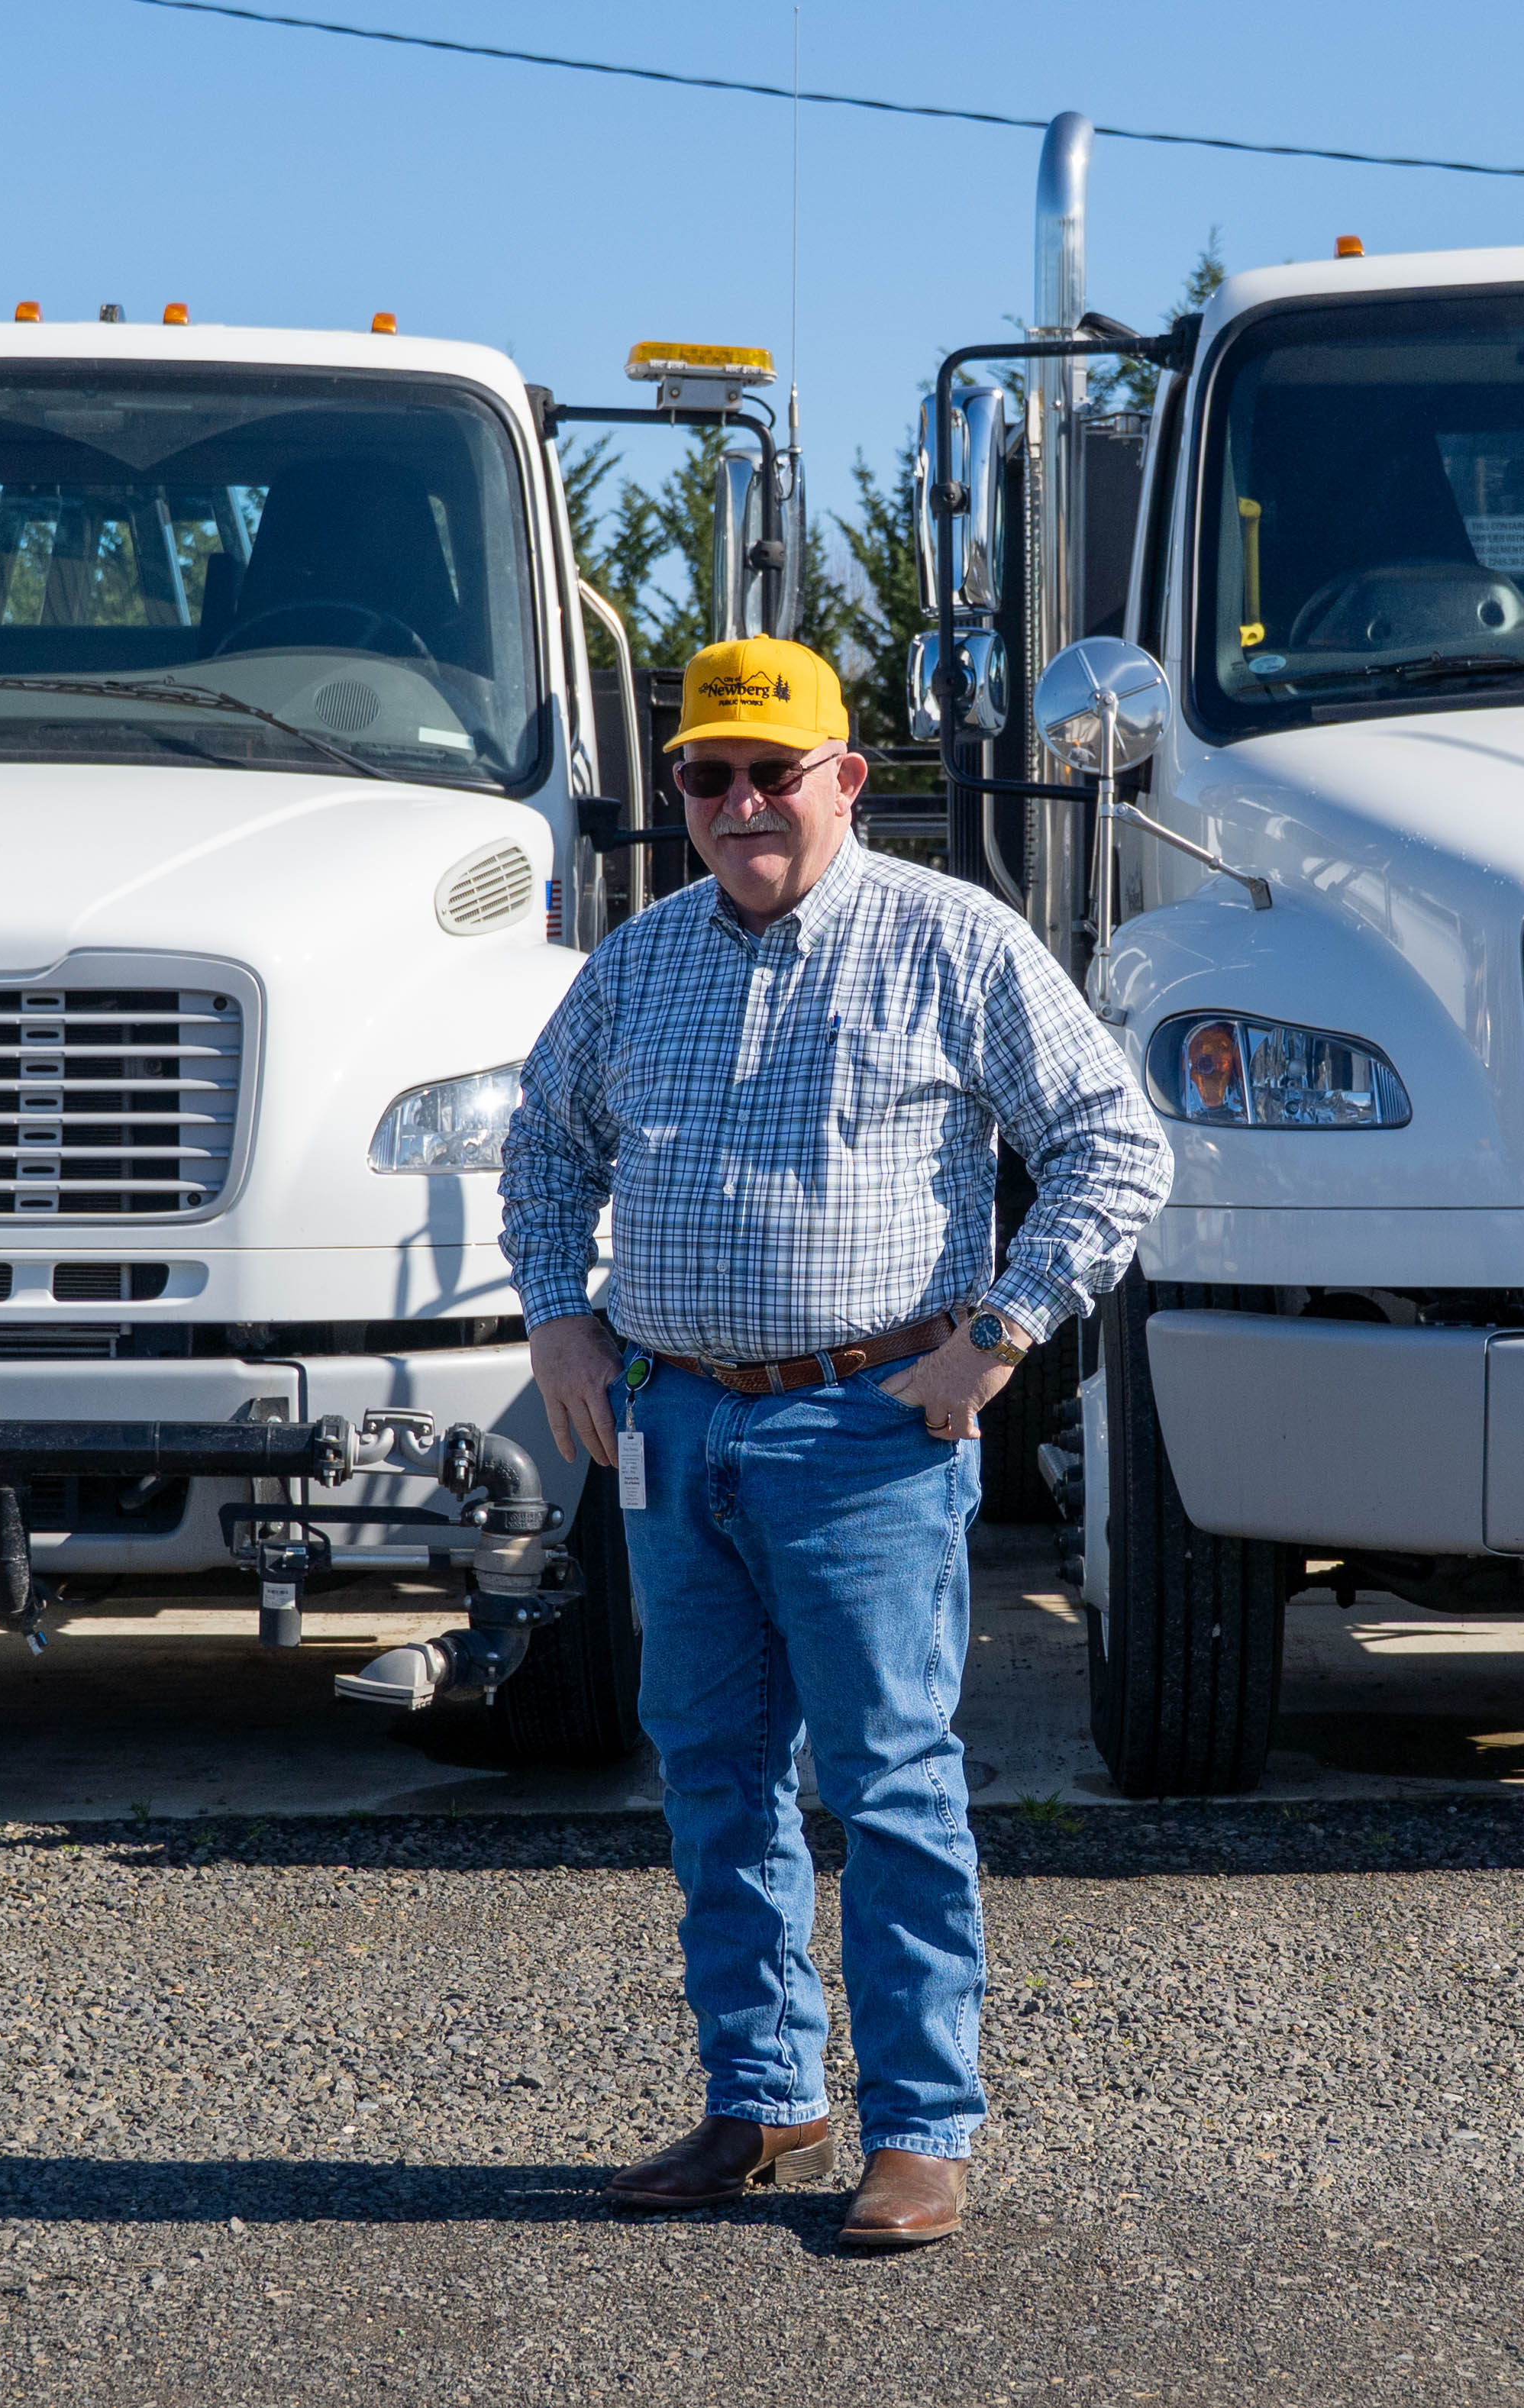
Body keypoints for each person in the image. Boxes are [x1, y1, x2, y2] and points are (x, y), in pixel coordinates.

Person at [500, 634, 1171, 2250]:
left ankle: (920, 2127)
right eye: (704, 774)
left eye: (769, 771)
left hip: (863, 1427)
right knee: (713, 1774)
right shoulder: (636, 960)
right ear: (673, 793)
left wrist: (997, 1336)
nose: (738, 802)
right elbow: (539, 1146)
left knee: (887, 1782)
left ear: (844, 779)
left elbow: (1112, 1143)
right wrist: (556, 1315)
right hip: (673, 1421)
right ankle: (762, 2095)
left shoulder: (953, 939)